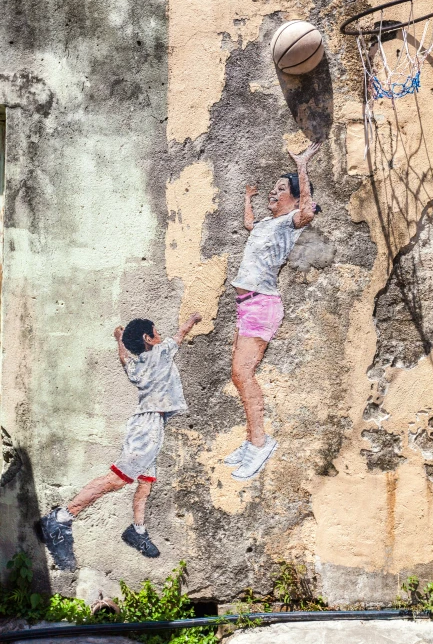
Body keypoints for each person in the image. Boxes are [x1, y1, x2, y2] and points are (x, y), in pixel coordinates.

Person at [39, 312, 201, 570]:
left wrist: (118, 339)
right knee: (116, 479)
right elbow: (180, 334)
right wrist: (193, 320)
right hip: (147, 427)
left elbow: (124, 358)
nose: (160, 335)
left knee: (146, 483)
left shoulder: (137, 366)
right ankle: (61, 517)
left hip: (151, 424)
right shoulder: (161, 353)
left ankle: (137, 530)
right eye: (156, 332)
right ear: (148, 338)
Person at [226, 142, 321, 481]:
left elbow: (308, 210)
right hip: (247, 305)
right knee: (239, 374)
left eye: (282, 189)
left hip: (261, 305)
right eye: (275, 187)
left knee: (243, 374)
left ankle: (260, 443)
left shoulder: (289, 223)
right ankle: (253, 440)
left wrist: (301, 167)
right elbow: (249, 224)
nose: (274, 191)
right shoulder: (268, 223)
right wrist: (248, 198)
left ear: (294, 198)